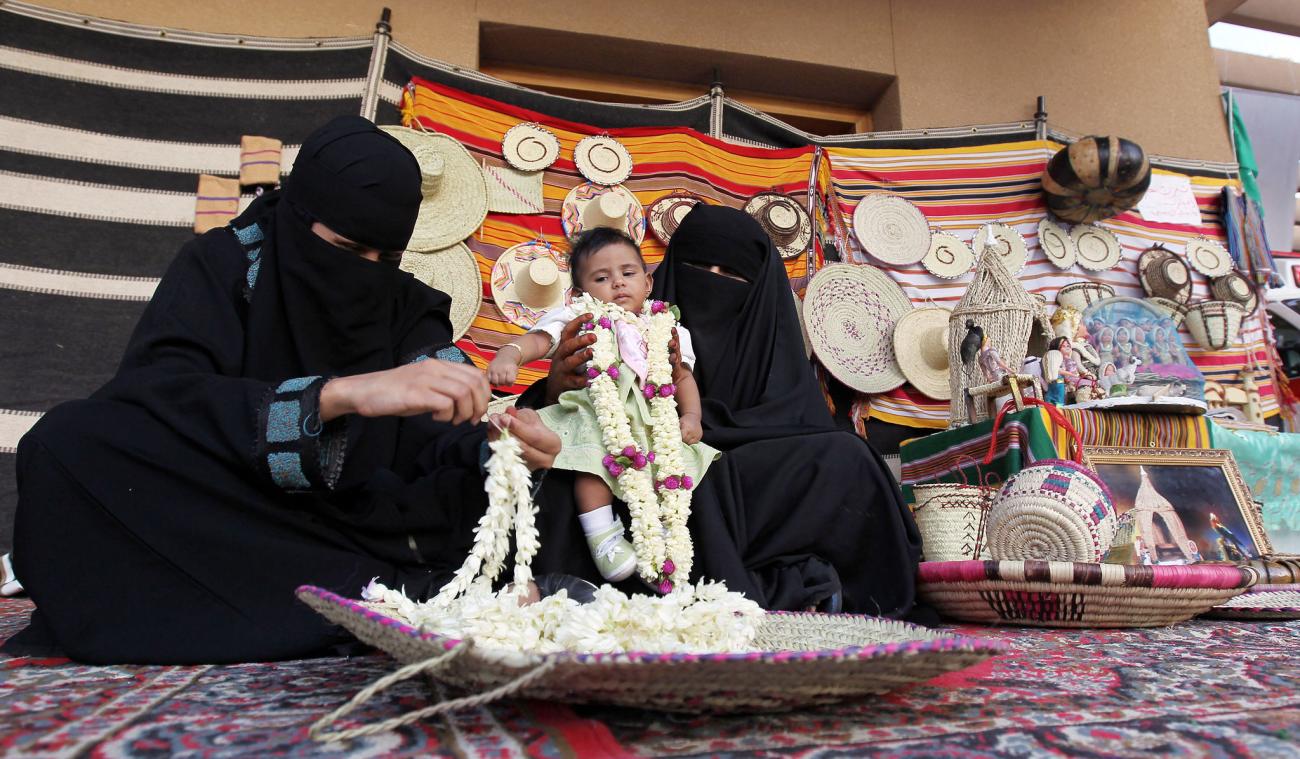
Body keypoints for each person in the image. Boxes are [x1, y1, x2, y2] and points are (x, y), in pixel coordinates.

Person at [6, 116, 566, 664]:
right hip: (230, 509)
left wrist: (498, 442)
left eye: (386, 258)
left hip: (361, 520)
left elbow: (443, 430)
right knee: (65, 444)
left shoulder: (407, 305)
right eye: (347, 249)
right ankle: (390, 594)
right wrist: (333, 398)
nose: (367, 272)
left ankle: (385, 592)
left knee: (518, 491)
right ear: (297, 219)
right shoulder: (222, 266)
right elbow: (157, 400)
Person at [523, 205, 923, 617]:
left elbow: (799, 430)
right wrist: (558, 386)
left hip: (740, 484)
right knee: (564, 457)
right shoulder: (615, 330)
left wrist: (698, 423)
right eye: (696, 267)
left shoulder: (771, 356)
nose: (711, 286)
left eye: (732, 276)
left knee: (847, 457)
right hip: (637, 466)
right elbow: (563, 419)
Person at [486, 228, 718, 582]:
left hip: (651, 418)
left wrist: (691, 415)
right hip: (594, 411)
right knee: (591, 463)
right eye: (602, 277)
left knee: (673, 469)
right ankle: (602, 536)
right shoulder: (579, 316)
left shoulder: (666, 326)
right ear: (580, 293)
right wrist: (510, 354)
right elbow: (539, 340)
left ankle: (667, 539)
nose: (618, 284)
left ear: (649, 281)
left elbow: (682, 376)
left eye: (628, 273)